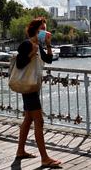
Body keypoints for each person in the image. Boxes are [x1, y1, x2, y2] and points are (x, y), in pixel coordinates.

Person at [14, 17, 62, 168]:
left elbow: (49, 59)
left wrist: (48, 45)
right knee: (39, 121)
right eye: (43, 29)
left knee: (28, 119)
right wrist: (31, 53)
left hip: (33, 86)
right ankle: (45, 158)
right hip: (29, 88)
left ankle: (20, 151)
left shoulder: (38, 45)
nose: (45, 32)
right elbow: (20, 63)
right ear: (36, 30)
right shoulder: (27, 44)